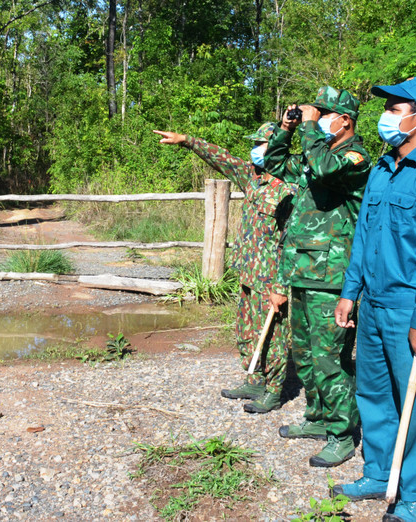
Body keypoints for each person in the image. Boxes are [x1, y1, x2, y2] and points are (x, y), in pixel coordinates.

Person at [332, 76, 416, 522]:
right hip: (373, 306)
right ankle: (379, 472)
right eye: (386, 107)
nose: (386, 115)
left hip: (410, 310)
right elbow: (363, 239)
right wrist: (351, 293)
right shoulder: (381, 172)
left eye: (394, 107)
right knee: (373, 392)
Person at [153, 124, 296, 413]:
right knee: (246, 328)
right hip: (247, 271)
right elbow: (221, 158)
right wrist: (186, 140)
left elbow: (289, 242)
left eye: (260, 143)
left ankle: (273, 389)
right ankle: (254, 378)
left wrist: (281, 287)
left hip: (269, 278)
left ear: (276, 147)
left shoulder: (287, 189)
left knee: (275, 335)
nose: (254, 149)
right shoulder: (251, 177)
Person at [262, 86, 371, 467]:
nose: (318, 118)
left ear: (345, 121)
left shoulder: (354, 158)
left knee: (330, 359)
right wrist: (286, 129)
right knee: (304, 354)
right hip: (303, 272)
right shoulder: (315, 152)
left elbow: (324, 168)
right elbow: (274, 165)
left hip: (332, 277)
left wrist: (309, 128)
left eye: (325, 114)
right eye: (316, 113)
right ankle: (318, 418)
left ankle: (341, 434)